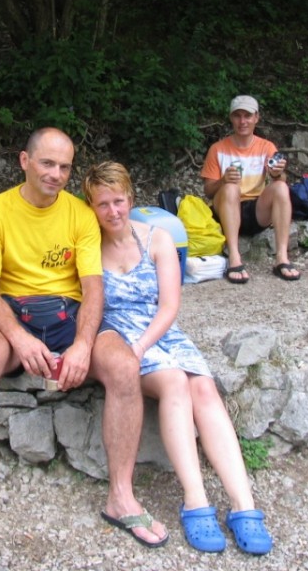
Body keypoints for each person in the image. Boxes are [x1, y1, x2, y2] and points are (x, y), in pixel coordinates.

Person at [0, 128, 169, 549]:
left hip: (69, 315)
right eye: (47, 163)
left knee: (123, 365)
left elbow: (93, 287)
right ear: (24, 161)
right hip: (13, 312)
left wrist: (83, 344)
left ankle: (121, 497)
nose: (56, 174)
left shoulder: (81, 213)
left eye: (65, 166)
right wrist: (20, 338)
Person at [82, 160, 273, 555]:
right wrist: (130, 350)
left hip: (160, 330)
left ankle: (244, 505)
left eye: (118, 201)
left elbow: (169, 305)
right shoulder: (88, 246)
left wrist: (143, 346)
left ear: (130, 199)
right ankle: (196, 499)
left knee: (203, 388)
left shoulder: (157, 239)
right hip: (119, 332)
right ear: (92, 207)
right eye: (103, 204)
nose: (113, 212)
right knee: (172, 381)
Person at [201, 94, 300, 283]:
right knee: (231, 188)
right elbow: (208, 191)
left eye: (247, 116)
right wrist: (223, 180)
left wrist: (277, 173)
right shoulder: (217, 149)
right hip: (226, 209)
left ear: (256, 118)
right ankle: (234, 258)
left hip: (256, 211)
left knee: (280, 187)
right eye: (237, 116)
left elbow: (281, 179)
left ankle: (282, 258)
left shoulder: (266, 147)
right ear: (231, 118)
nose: (242, 121)